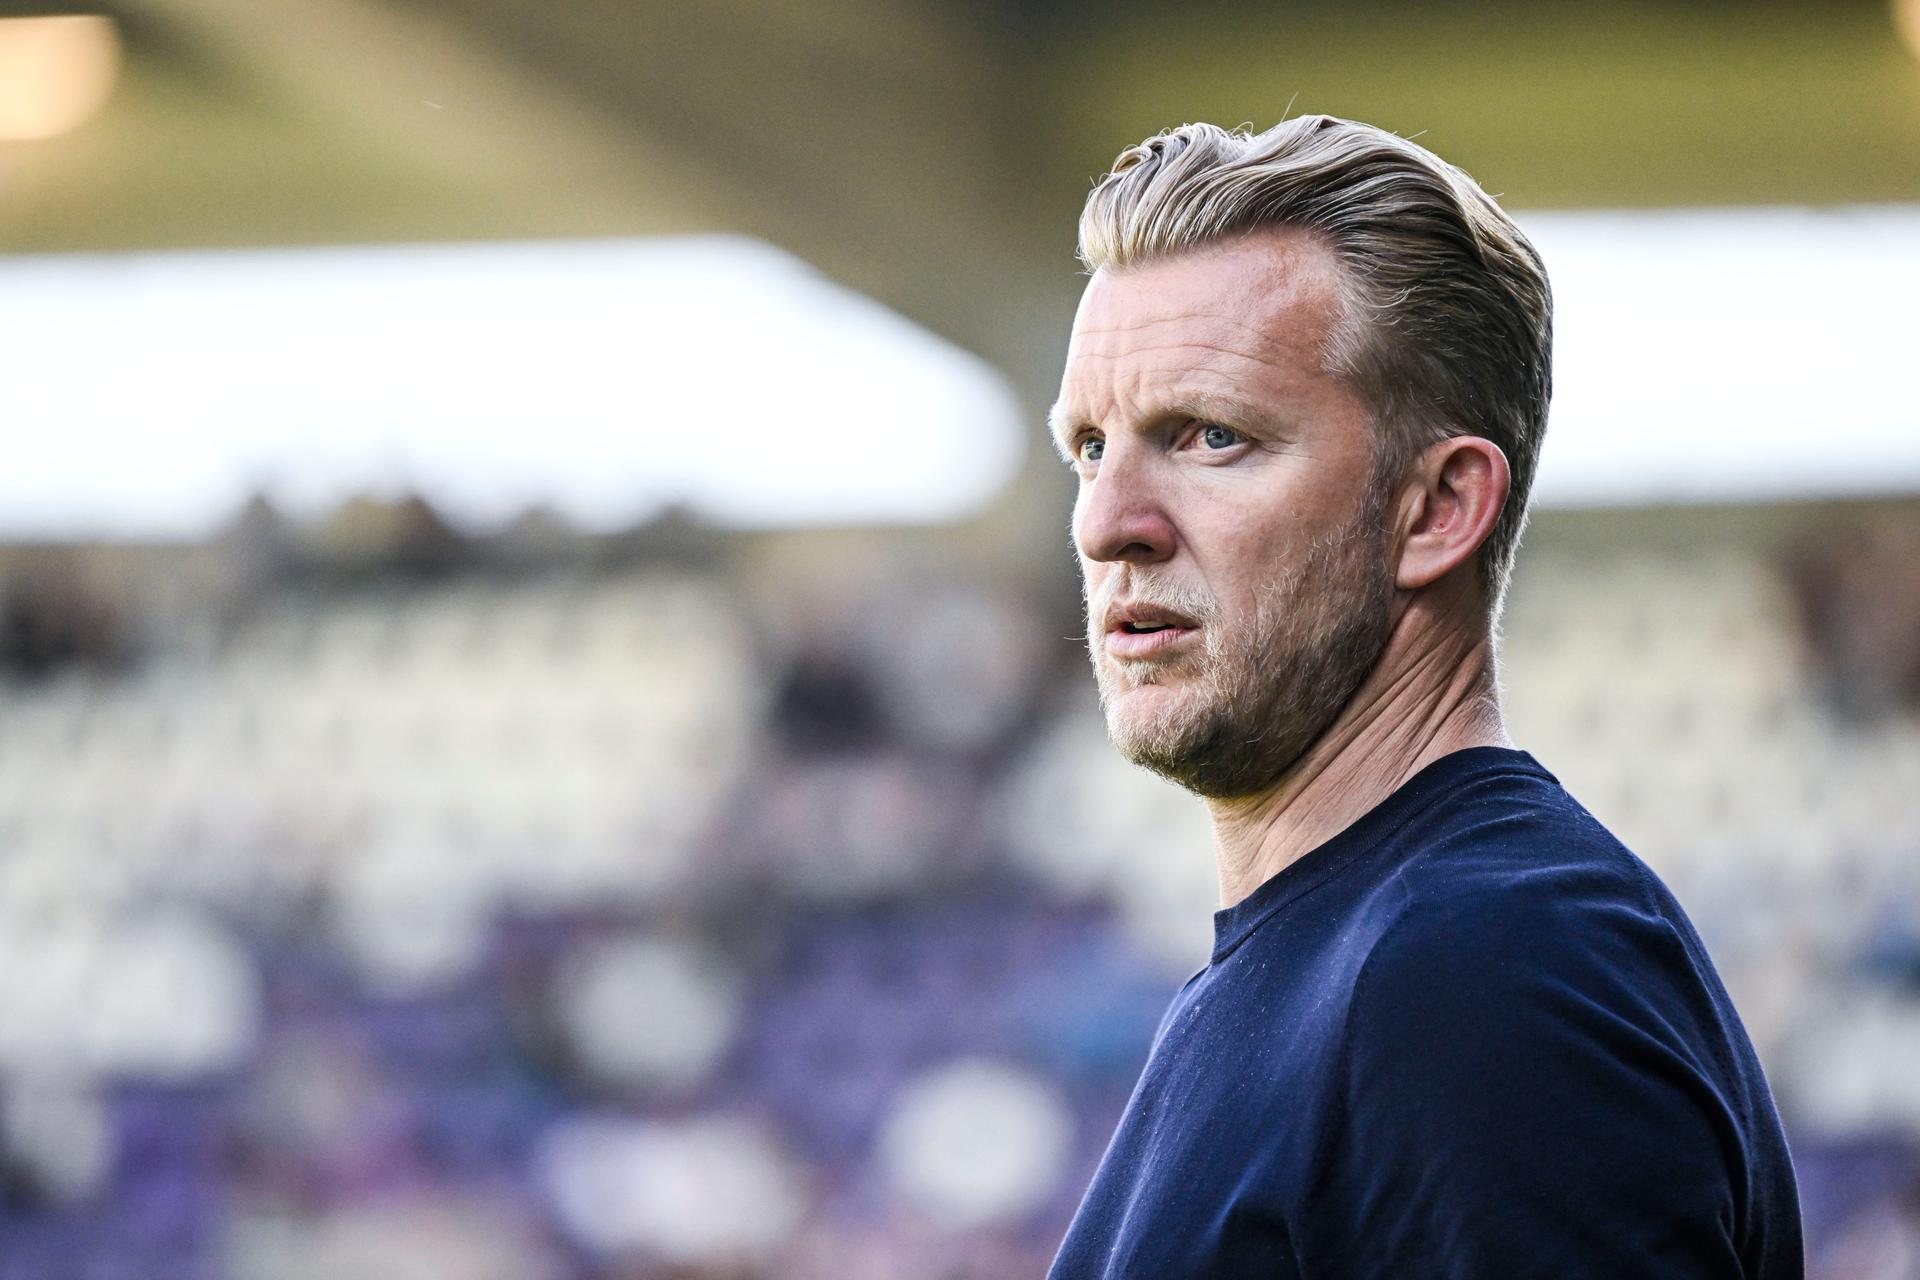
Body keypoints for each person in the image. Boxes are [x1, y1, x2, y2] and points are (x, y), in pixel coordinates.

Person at [1044, 116, 1802, 1279]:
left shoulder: (1487, 969)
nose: (1108, 521)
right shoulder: (1347, 965)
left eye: (1210, 435)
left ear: (1439, 508)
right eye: (1090, 447)